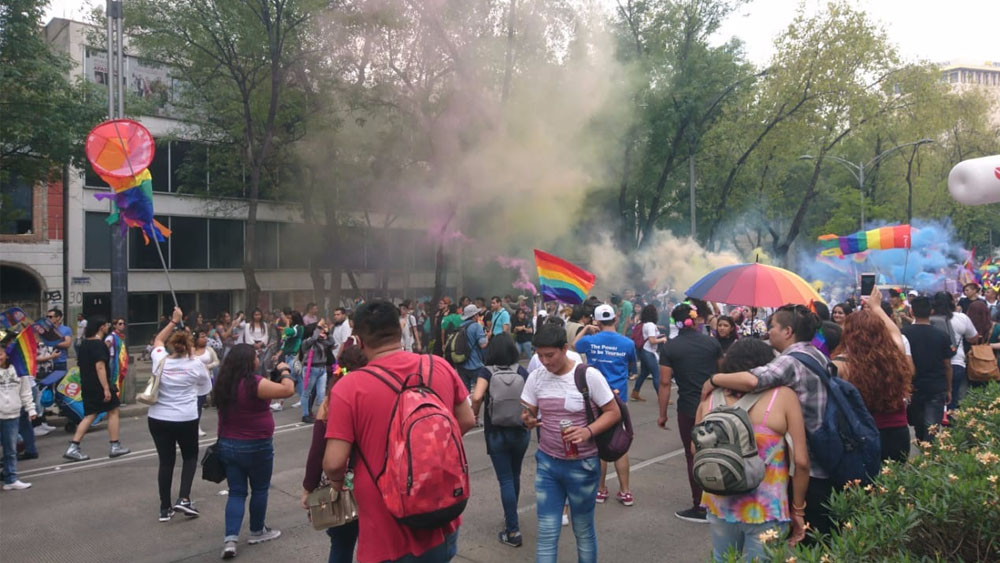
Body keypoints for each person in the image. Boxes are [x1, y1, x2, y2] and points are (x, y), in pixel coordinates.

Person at [322, 300, 476, 563]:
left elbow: (334, 463)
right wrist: (427, 453)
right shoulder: (437, 365)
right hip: (441, 511)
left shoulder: (349, 388)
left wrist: (337, 483)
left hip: (386, 526)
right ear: (399, 328)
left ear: (358, 340)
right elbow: (468, 419)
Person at [699, 304, 834, 536]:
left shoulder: (789, 362)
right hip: (774, 500)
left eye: (773, 327)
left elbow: (753, 380)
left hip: (722, 501)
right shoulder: (817, 356)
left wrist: (714, 379)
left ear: (788, 331)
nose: (768, 332)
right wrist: (797, 510)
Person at [698, 338, 809, 560]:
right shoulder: (783, 396)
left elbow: (695, 450)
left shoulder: (710, 398)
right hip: (767, 507)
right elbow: (801, 461)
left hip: (719, 502)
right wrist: (798, 509)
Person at [520, 323, 622, 563]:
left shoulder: (588, 375)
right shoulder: (536, 377)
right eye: (539, 355)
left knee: (583, 529)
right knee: (546, 531)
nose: (544, 361)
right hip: (547, 463)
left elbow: (613, 412)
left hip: (582, 466)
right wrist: (527, 419)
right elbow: (528, 412)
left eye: (550, 355)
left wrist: (588, 431)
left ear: (564, 349)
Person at [215, 344, 295, 559]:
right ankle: (257, 531)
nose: (258, 359)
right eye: (256, 357)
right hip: (257, 444)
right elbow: (288, 390)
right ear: (249, 362)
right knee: (259, 489)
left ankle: (230, 539)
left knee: (236, 492)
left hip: (228, 444)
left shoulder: (224, 382)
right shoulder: (254, 384)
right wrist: (285, 371)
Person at [657, 302, 723, 523]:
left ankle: (700, 506)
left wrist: (662, 413)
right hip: (714, 405)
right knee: (717, 452)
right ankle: (719, 502)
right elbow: (722, 373)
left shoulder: (670, 348)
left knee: (693, 455)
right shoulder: (712, 343)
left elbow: (665, 383)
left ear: (676, 323)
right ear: (695, 320)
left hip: (688, 409)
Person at [302, 347, 367, 563]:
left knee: (341, 543)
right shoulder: (371, 396)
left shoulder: (329, 403)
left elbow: (317, 452)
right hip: (372, 482)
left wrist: (308, 488)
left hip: (341, 487)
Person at [147, 308, 213, 521]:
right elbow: (205, 389)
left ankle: (164, 509)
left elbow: (158, 339)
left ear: (171, 345)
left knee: (165, 462)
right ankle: (184, 498)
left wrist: (173, 321)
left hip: (158, 417)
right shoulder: (196, 364)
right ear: (190, 347)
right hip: (185, 417)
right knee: (190, 457)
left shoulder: (160, 359)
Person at [833, 296, 912, 463]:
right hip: (897, 432)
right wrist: (876, 307)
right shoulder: (894, 355)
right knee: (894, 485)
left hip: (861, 434)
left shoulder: (839, 365)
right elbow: (895, 332)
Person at [470, 333, 531, 547]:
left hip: (496, 432)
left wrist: (475, 414)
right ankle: (511, 517)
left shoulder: (486, 371)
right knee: (515, 475)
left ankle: (512, 530)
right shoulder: (522, 371)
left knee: (504, 479)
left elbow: (477, 396)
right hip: (520, 431)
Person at [574, 304, 638, 506]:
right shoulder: (627, 343)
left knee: (599, 443)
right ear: (615, 319)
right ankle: (625, 491)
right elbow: (632, 367)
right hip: (619, 398)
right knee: (621, 443)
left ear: (597, 321)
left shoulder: (590, 340)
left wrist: (586, 329)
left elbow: (574, 346)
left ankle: (600, 490)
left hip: (595, 397)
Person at [63, 316, 130, 462]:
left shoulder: (84, 344)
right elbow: (100, 367)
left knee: (90, 415)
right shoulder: (99, 345)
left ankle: (74, 446)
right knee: (113, 410)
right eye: (105, 325)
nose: (107, 328)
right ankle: (114, 445)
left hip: (87, 384)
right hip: (99, 384)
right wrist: (106, 388)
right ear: (101, 328)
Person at [903, 297, 955, 442]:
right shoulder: (941, 335)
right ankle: (930, 454)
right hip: (936, 386)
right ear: (931, 311)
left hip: (913, 387)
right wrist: (949, 389)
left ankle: (924, 449)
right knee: (931, 426)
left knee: (919, 425)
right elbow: (947, 364)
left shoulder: (903, 334)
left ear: (911, 311)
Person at [930, 291, 978, 411]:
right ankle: (950, 425)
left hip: (934, 365)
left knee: (933, 402)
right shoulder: (962, 318)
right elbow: (973, 337)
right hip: (956, 363)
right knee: (953, 399)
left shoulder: (927, 320)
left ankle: (932, 426)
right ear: (952, 302)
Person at [0, 333, 36, 490]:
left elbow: (25, 392)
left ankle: (11, 479)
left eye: (0, 354)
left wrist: (31, 409)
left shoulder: (20, 370)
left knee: (11, 450)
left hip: (13, 415)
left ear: (7, 354)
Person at [300, 319, 335, 423]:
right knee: (306, 393)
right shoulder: (307, 342)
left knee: (321, 393)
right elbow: (313, 338)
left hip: (322, 369)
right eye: (319, 330)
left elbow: (332, 342)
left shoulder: (323, 342)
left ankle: (323, 414)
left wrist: (328, 332)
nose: (321, 332)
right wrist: (318, 327)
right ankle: (305, 415)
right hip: (310, 369)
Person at [633, 304, 666, 402]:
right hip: (648, 352)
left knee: (644, 373)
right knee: (656, 375)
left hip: (644, 351)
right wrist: (662, 339)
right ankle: (662, 398)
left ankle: (635, 393)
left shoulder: (644, 324)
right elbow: (652, 340)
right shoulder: (651, 325)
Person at [193, 326, 220, 437]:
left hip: (204, 382)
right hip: (192, 381)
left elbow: (216, 361)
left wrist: (208, 366)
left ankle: (196, 426)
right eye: (202, 337)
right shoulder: (191, 350)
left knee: (199, 404)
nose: (205, 339)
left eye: (205, 337)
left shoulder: (209, 350)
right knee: (192, 404)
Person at [457, 304, 489, 393]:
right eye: (477, 314)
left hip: (462, 364)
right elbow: (483, 344)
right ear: (474, 315)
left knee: (466, 392)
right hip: (475, 364)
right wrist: (487, 336)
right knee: (483, 390)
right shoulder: (476, 326)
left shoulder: (461, 326)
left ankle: (468, 406)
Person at [104, 317, 129, 401]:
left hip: (119, 361)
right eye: (120, 324)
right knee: (113, 378)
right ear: (115, 326)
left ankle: (117, 398)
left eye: (123, 323)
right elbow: (104, 348)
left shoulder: (121, 337)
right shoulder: (111, 337)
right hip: (112, 360)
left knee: (119, 379)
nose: (122, 325)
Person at [42, 308, 73, 374]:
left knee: (59, 383)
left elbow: (67, 344)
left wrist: (50, 342)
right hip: (46, 361)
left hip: (59, 361)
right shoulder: (44, 329)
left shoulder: (65, 329)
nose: (48, 318)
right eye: (46, 317)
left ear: (58, 318)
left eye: (50, 317)